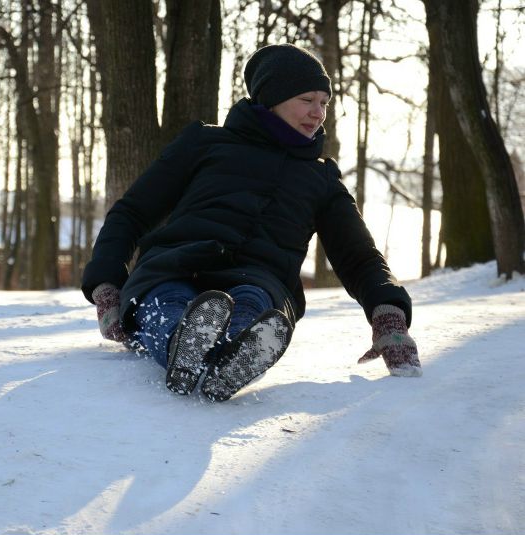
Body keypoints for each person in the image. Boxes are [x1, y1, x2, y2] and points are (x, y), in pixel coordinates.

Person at [82, 43, 422, 402]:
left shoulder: (321, 180)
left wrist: (388, 314)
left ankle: (237, 355)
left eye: (324, 102)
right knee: (168, 300)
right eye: (307, 99)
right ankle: (181, 347)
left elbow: (360, 258)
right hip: (173, 265)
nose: (318, 113)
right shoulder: (205, 143)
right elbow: (132, 212)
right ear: (272, 97)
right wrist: (107, 284)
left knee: (253, 303)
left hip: (260, 279)